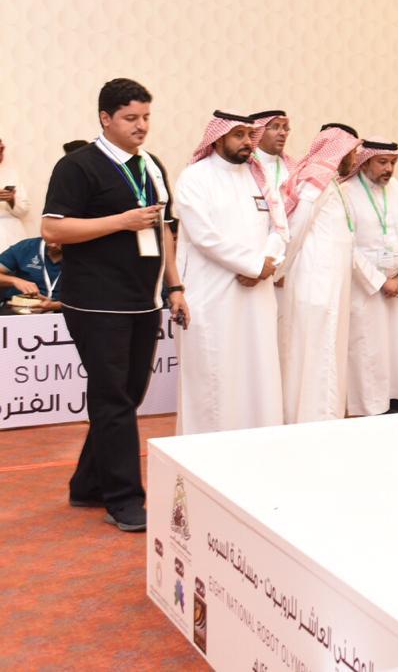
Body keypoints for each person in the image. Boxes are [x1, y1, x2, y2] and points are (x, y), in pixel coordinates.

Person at [41, 78, 190, 532]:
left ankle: (87, 484)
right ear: (106, 118)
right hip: (96, 302)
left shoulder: (151, 165)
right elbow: (53, 230)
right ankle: (124, 499)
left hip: (143, 300)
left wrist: (175, 287)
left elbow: (164, 230)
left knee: (126, 397)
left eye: (146, 117)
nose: (141, 126)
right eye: (130, 118)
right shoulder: (78, 166)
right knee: (113, 399)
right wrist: (120, 222)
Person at [173, 111, 287, 435]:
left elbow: (280, 228)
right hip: (213, 297)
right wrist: (253, 265)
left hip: (258, 297)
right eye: (238, 135)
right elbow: (204, 236)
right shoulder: (195, 177)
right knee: (215, 376)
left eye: (250, 135)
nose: (247, 142)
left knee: (258, 372)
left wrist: (266, 264)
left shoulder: (258, 177)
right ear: (218, 138)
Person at [277, 123, 362, 423]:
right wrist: (280, 268)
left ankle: (325, 416)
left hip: (331, 282)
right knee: (317, 350)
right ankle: (313, 419)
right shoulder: (316, 180)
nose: (355, 157)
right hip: (315, 280)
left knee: (327, 349)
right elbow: (296, 227)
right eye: (352, 151)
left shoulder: (333, 183)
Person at [342, 139, 398, 415]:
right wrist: (380, 282)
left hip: (397, 284)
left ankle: (396, 398)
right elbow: (348, 246)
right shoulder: (347, 191)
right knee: (369, 346)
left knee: (397, 343)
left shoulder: (397, 189)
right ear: (365, 162)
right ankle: (371, 404)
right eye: (382, 162)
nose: (389, 168)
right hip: (365, 287)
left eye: (393, 162)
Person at [0, 235, 62, 309]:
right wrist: (14, 281)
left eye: (60, 240)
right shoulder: (27, 247)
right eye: (50, 239)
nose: (53, 245)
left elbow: (75, 302)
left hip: (64, 310)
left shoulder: (75, 255)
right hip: (19, 307)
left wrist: (55, 306)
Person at [249, 109, 293, 203]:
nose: (283, 133)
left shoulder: (291, 167)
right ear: (259, 132)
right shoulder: (246, 164)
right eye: (275, 127)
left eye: (285, 128)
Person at [0, 135, 31, 252]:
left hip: (12, 234)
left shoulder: (11, 174)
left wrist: (11, 200)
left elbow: (24, 210)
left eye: (2, 149)